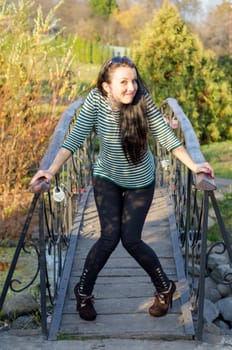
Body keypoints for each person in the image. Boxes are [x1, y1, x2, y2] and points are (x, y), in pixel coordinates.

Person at [30, 56, 214, 321]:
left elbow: (167, 137)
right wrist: (50, 170)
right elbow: (74, 138)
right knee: (108, 237)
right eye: (124, 82)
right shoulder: (95, 101)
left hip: (141, 181)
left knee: (131, 239)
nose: (131, 88)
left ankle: (165, 288)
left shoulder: (143, 101)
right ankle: (83, 292)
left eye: (134, 81)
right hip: (107, 177)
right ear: (106, 86)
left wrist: (194, 165)